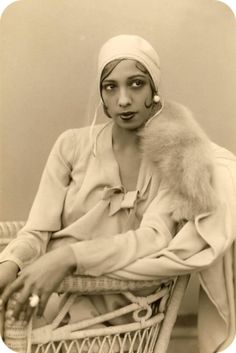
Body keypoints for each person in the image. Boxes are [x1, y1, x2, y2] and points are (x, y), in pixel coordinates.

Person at [0, 34, 236, 353]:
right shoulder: (70, 146)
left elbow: (153, 238)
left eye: (136, 84)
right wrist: (11, 264)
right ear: (102, 94)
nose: (123, 100)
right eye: (111, 86)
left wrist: (69, 257)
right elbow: (37, 232)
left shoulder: (174, 156)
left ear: (154, 90)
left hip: (124, 314)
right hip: (52, 297)